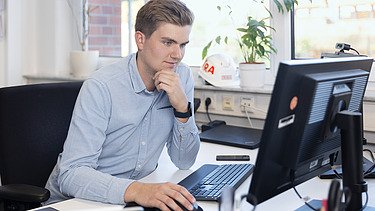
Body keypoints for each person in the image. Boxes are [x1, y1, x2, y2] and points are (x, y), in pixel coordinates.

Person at [44, 0, 200, 210]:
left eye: (183, 45)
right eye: (168, 42)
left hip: (130, 202)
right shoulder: (101, 86)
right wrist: (138, 190)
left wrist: (182, 109)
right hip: (76, 202)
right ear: (140, 39)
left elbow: (184, 161)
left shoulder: (182, 76)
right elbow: (72, 174)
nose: (178, 55)